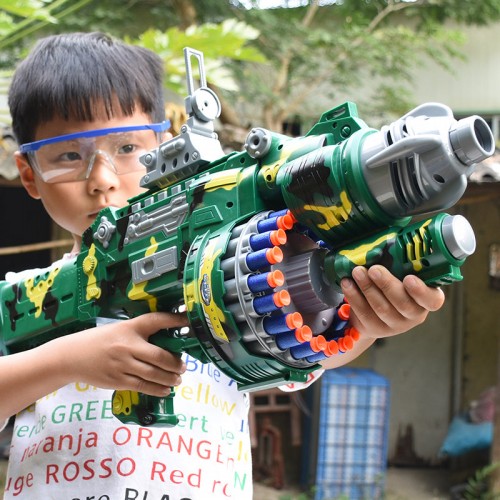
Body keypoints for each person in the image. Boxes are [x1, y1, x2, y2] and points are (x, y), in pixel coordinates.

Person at [0, 32, 445, 499]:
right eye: (70, 155)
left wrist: (367, 323)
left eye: (127, 148)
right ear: (29, 172)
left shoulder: (227, 258)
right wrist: (69, 359)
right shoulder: (27, 297)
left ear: (162, 147)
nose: (102, 179)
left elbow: (310, 348)